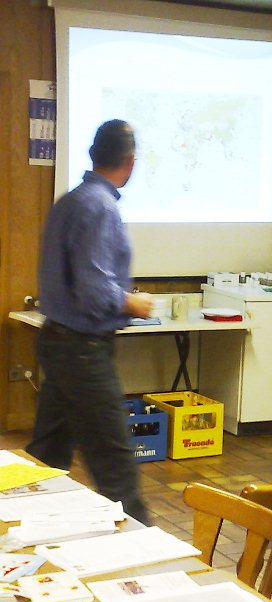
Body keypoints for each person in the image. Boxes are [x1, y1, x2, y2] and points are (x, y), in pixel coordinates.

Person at [27, 120, 154, 524]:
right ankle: (141, 545)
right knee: (115, 465)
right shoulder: (101, 207)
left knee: (48, 455)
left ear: (93, 154)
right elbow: (94, 291)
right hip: (82, 350)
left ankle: (23, 533)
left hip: (59, 341)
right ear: (130, 161)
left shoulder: (71, 201)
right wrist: (133, 302)